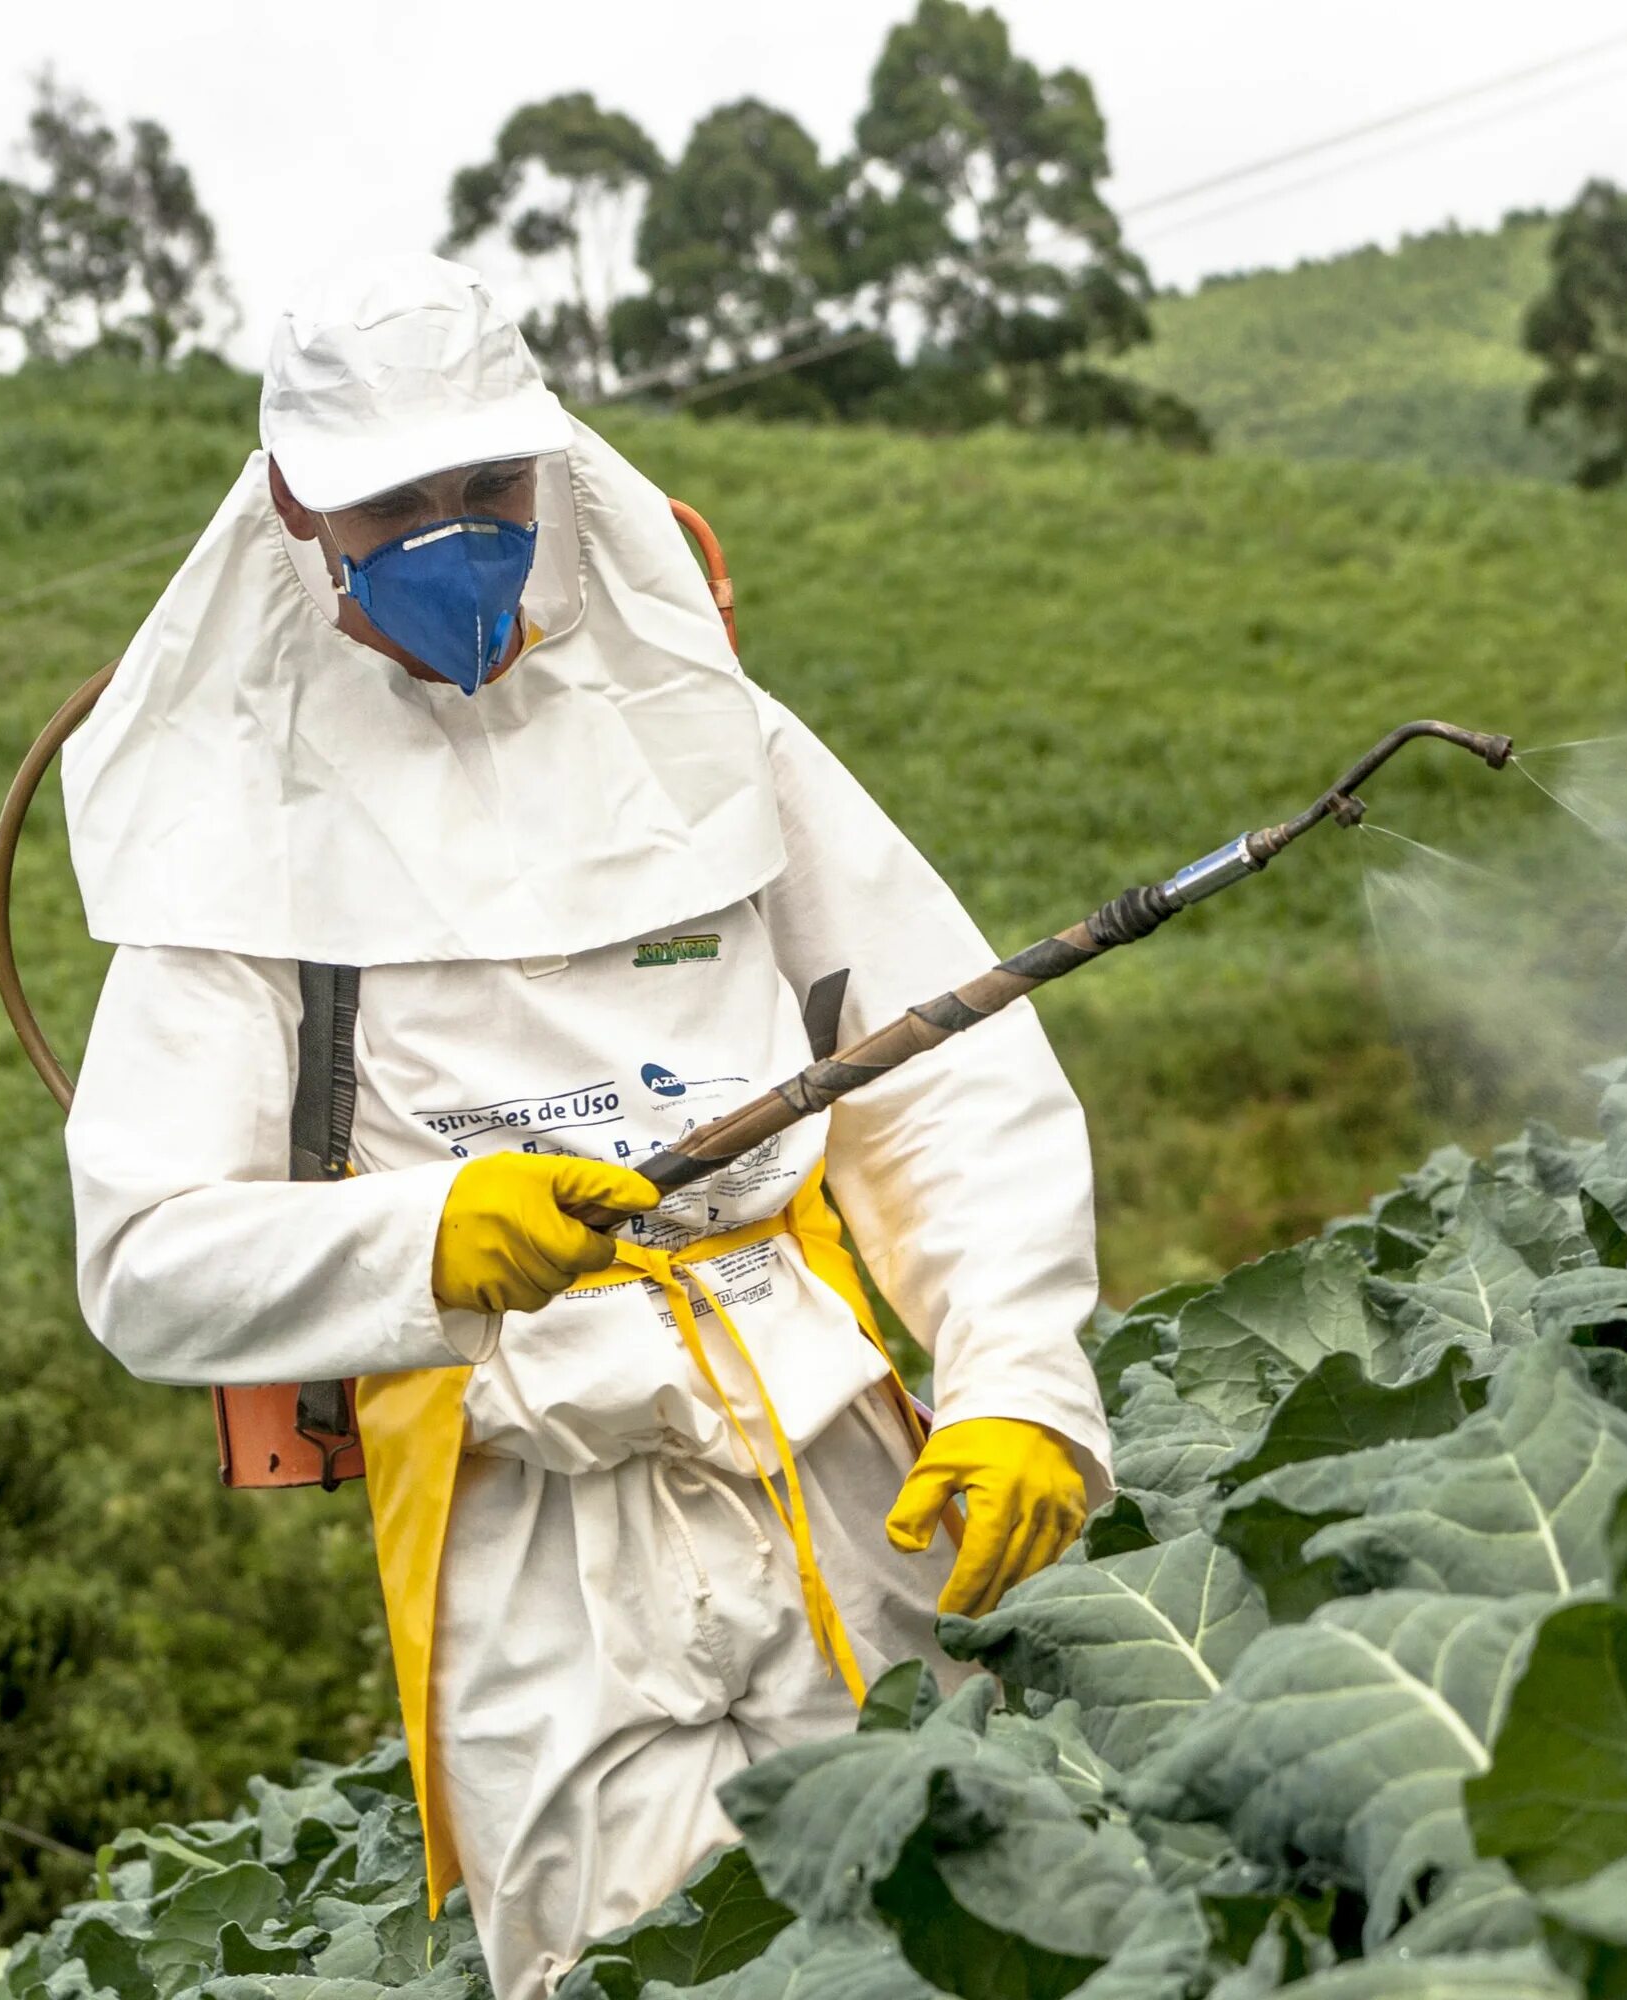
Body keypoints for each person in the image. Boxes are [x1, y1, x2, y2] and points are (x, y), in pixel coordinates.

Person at [57, 253, 1110, 1998]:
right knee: (653, 1965)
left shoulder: (706, 728)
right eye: (401, 501)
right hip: (529, 1515)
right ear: (302, 515)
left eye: (490, 485)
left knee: (977, 1915)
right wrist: (426, 1240)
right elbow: (145, 1262)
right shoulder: (230, 841)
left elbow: (946, 1060)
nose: (459, 528)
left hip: (834, 1445)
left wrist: (1016, 1385)